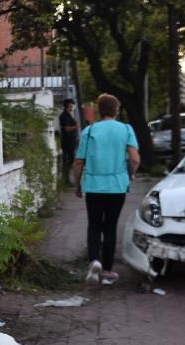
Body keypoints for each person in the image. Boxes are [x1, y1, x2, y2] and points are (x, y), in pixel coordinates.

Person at [72, 93, 140, 286]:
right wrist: (130, 173)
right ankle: (108, 271)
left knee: (94, 225)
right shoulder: (126, 129)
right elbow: (134, 158)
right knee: (110, 227)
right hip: (117, 186)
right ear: (116, 110)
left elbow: (78, 162)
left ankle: (94, 261)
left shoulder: (90, 131)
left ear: (99, 111)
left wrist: (77, 185)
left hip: (93, 187)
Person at [59, 99, 79, 172]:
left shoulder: (69, 115)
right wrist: (76, 127)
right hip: (67, 142)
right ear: (68, 106)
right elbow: (66, 129)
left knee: (71, 158)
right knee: (68, 160)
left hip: (71, 141)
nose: (72, 107)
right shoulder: (64, 116)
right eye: (71, 105)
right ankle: (66, 176)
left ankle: (68, 175)